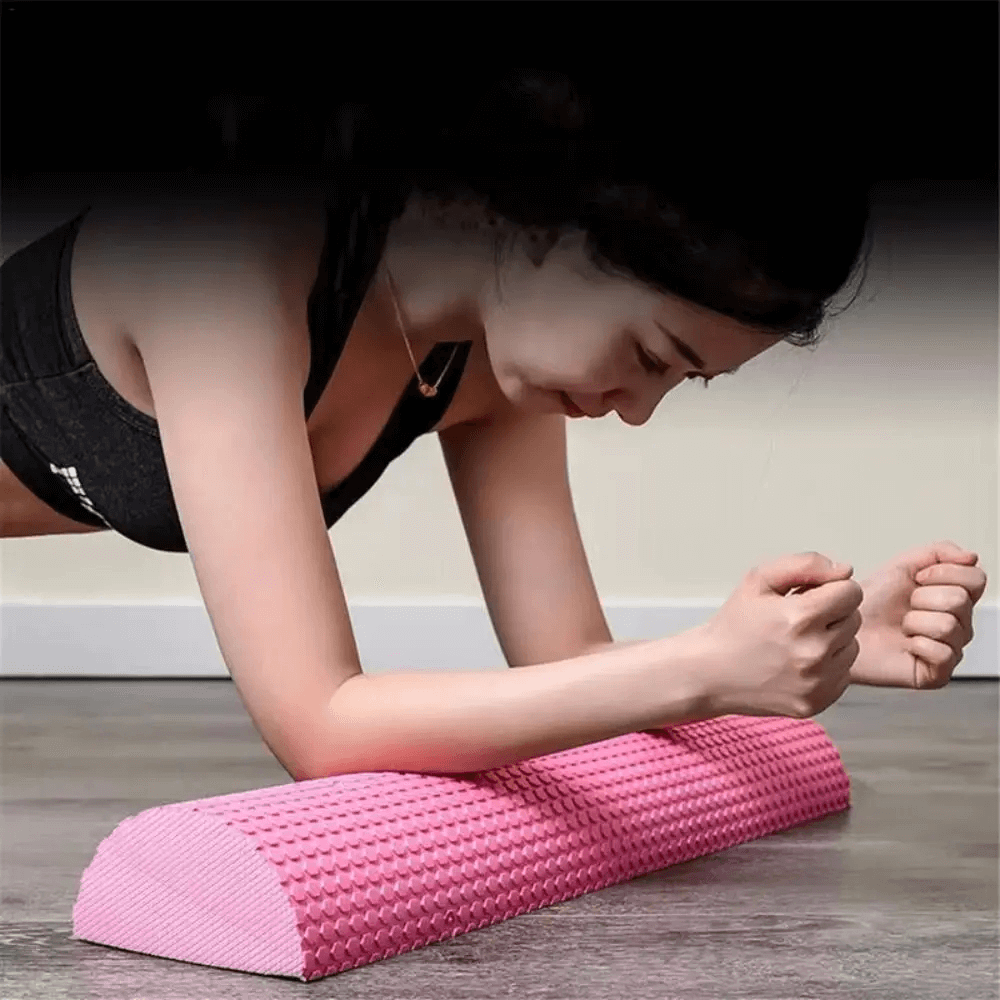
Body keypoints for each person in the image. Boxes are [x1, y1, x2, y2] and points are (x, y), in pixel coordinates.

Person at [1, 69, 876, 780]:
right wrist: (704, 669)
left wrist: (828, 641)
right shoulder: (229, 256)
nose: (639, 412)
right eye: (651, 354)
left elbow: (566, 657)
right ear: (548, 225)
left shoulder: (492, 359)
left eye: (687, 382)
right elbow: (323, 727)